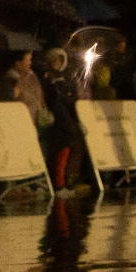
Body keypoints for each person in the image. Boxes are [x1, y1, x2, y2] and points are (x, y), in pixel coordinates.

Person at [40, 49, 86, 196]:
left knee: (71, 150)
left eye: (59, 60)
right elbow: (53, 99)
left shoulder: (67, 76)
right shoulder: (48, 78)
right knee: (59, 151)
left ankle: (65, 180)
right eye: (54, 60)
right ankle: (58, 184)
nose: (57, 63)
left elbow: (74, 96)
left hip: (69, 117)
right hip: (58, 121)